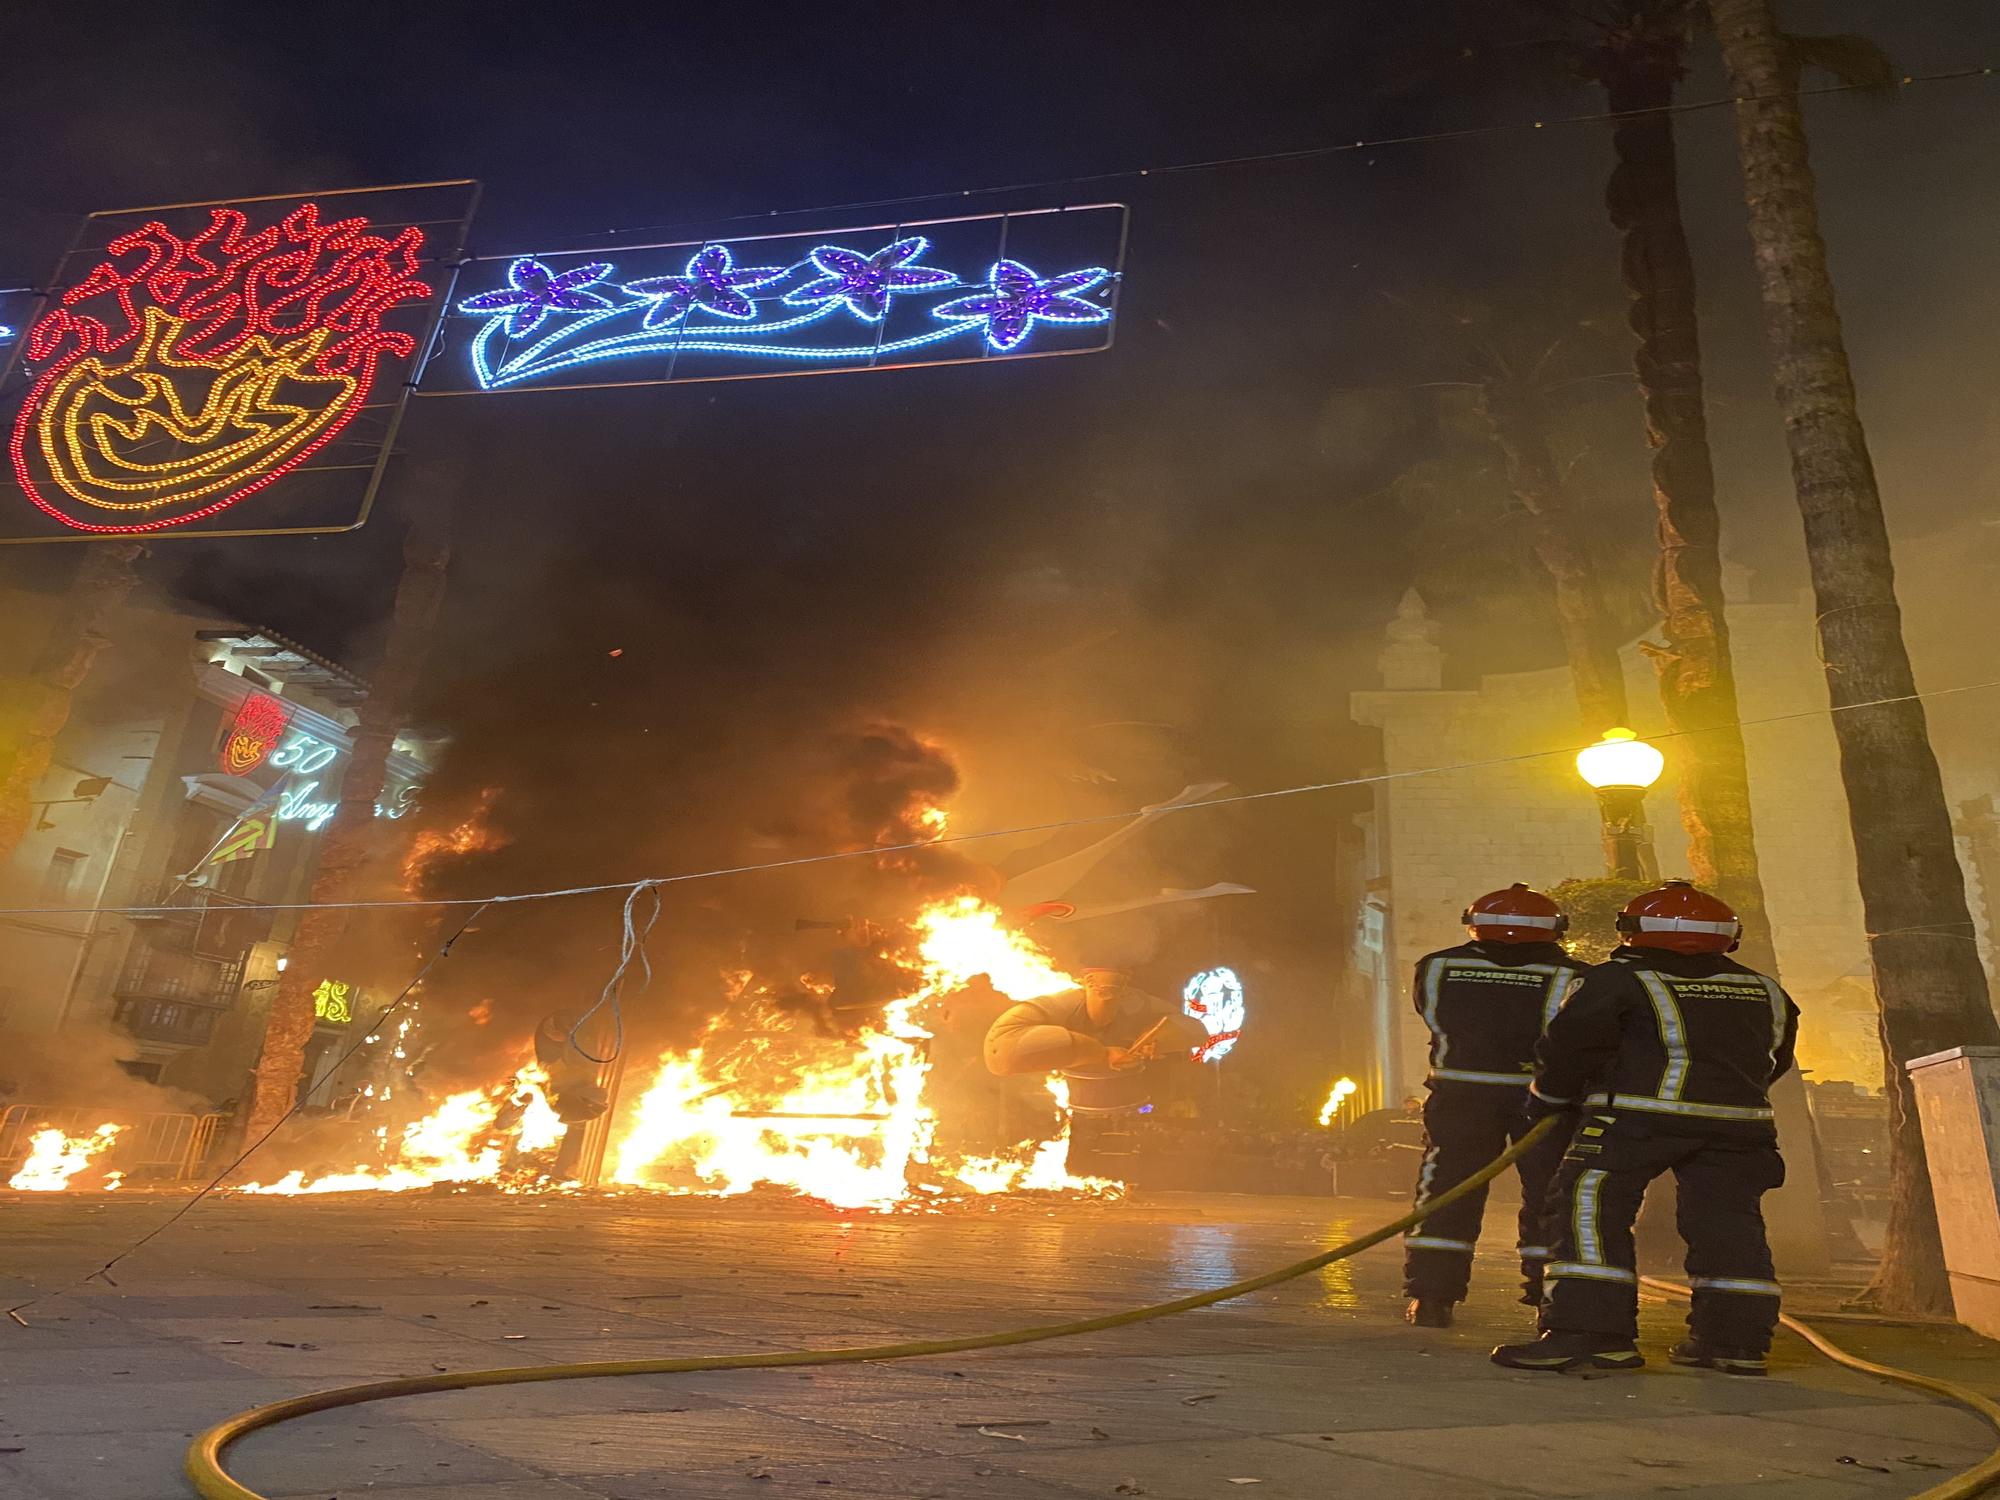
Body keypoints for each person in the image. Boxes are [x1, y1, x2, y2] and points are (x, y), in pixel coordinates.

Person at [1492, 880, 1798, 1376]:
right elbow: (1775, 1059)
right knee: (1729, 1226)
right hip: (1739, 1127)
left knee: (1588, 1205)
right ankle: (1733, 1344)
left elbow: (1568, 1046)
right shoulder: (1765, 989)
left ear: (1633, 931)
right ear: (1728, 935)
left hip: (1634, 1121)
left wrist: (1548, 1100)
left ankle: (1590, 1335)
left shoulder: (1614, 981)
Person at [1403, 883, 1582, 1328]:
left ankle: (1432, 1297)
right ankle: (1550, 1297)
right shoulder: (1574, 976)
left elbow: (1430, 1014)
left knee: (1448, 1190)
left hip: (1460, 1096)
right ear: (1554, 929)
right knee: (1551, 1194)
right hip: (1542, 1101)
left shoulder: (1436, 966)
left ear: (1475, 925)